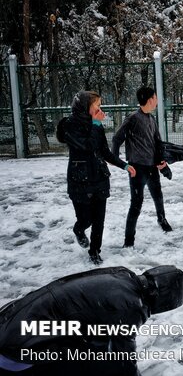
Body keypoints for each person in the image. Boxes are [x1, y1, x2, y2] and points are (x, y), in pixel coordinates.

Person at [0, 265, 183, 376]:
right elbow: (121, 361)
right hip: (17, 350)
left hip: (10, 318)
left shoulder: (122, 276)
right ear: (163, 300)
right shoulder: (130, 307)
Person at [56, 91, 136, 265]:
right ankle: (79, 229)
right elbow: (87, 146)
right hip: (80, 180)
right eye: (97, 105)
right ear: (85, 106)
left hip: (99, 177)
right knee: (86, 219)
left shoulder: (96, 125)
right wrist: (95, 124)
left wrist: (124, 165)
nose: (100, 109)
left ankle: (95, 251)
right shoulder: (70, 125)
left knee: (99, 219)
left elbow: (104, 151)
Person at [113, 87, 172, 248]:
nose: (157, 100)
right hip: (137, 168)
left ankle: (162, 219)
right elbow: (117, 138)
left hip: (152, 166)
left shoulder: (151, 119)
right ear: (150, 99)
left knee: (158, 196)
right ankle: (129, 240)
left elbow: (158, 143)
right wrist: (116, 159)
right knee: (136, 204)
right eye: (156, 97)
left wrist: (163, 161)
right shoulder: (133, 118)